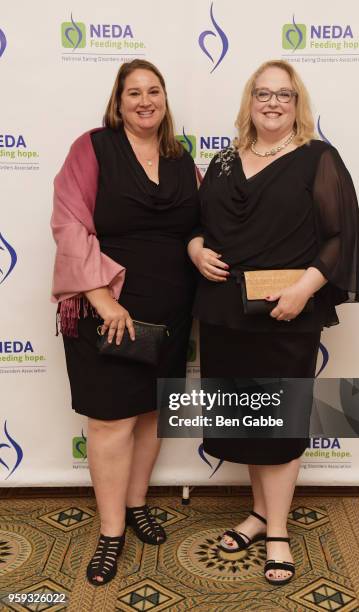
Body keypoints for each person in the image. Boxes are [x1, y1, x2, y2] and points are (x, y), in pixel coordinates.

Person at [188, 59, 359, 586]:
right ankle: (260, 511)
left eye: (283, 95)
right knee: (247, 419)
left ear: (297, 103)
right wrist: (197, 249)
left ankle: (278, 534)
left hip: (289, 311)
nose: (272, 102)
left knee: (281, 423)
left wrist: (304, 291)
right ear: (249, 101)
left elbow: (340, 236)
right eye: (262, 93)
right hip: (225, 312)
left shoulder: (318, 158)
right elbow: (198, 225)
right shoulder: (222, 162)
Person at [51, 59, 199, 586]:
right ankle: (111, 531)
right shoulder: (92, 148)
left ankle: (136, 504)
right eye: (132, 92)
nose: (144, 100)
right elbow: (69, 223)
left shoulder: (183, 160)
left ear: (165, 99)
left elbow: (199, 227)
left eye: (153, 90)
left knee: (151, 415)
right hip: (108, 313)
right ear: (118, 103)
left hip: (172, 313)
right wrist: (102, 300)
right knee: (111, 421)